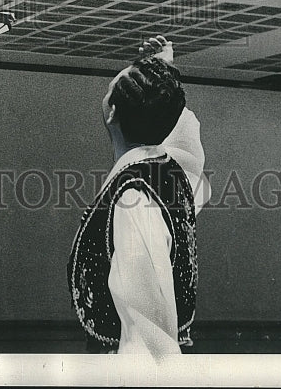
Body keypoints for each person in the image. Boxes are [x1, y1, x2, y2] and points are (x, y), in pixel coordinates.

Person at [68, 35, 210, 358]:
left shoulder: (134, 197)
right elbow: (185, 144)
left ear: (111, 113)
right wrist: (161, 71)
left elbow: (149, 329)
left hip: (129, 367)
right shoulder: (171, 171)